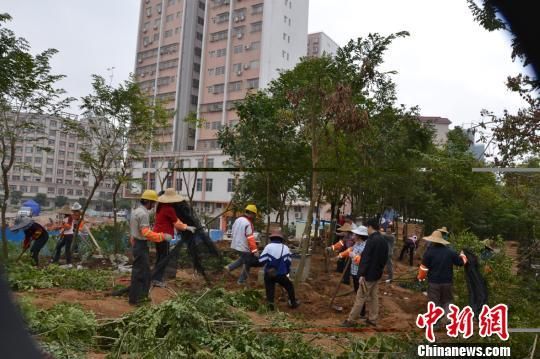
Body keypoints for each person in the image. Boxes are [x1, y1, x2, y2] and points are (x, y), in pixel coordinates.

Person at [342, 218, 388, 327]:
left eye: (367, 228)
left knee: (360, 297)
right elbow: (385, 258)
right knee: (374, 297)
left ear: (370, 227)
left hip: (368, 275)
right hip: (376, 274)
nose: (366, 230)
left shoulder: (371, 241)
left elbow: (365, 259)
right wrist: (379, 270)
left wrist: (362, 274)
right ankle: (373, 319)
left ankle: (351, 319)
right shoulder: (383, 240)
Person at [129, 190, 173, 305]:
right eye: (152, 203)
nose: (153, 205)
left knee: (142, 273)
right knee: (141, 274)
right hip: (141, 245)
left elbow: (135, 232)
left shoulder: (135, 211)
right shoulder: (143, 214)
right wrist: (162, 236)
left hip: (137, 244)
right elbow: (146, 233)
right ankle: (138, 299)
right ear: (147, 201)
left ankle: (138, 298)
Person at [151, 188, 196, 287]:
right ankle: (157, 280)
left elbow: (174, 221)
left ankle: (155, 277)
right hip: (164, 236)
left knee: (160, 257)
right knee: (163, 258)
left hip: (157, 235)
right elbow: (177, 223)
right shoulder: (169, 209)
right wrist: (187, 227)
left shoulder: (160, 207)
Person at [417, 230, 467, 316]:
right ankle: (449, 320)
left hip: (434, 283)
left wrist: (420, 278)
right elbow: (461, 263)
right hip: (447, 282)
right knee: (447, 301)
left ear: (432, 241)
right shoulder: (450, 252)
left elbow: (423, 270)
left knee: (434, 303)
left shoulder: (429, 253)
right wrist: (463, 255)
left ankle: (435, 323)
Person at [259, 229, 299, 310]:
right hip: (281, 274)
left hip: (269, 274)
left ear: (272, 238)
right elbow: (288, 262)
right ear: (281, 239)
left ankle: (270, 307)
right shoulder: (286, 248)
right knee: (289, 286)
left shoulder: (268, 247)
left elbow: (261, 260)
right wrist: (286, 271)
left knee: (270, 290)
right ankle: (293, 303)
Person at [224, 204, 259, 285]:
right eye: (254, 215)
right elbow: (250, 238)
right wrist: (255, 250)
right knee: (248, 262)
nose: (254, 217)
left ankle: (229, 267)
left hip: (236, 245)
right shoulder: (248, 223)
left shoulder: (238, 220)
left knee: (243, 259)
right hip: (243, 246)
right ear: (251, 213)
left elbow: (232, 231)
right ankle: (241, 281)